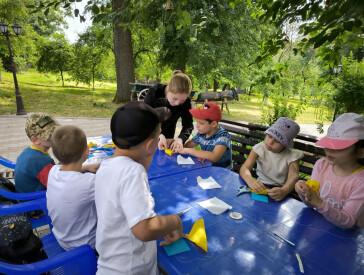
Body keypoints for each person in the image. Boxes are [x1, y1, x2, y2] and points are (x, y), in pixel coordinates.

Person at [95, 102, 184, 274]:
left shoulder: (106, 166)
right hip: (131, 269)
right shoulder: (132, 171)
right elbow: (145, 229)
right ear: (150, 145)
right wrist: (174, 221)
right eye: (159, 136)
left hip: (112, 262)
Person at [295, 113, 364, 228]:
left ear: (361, 152)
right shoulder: (321, 165)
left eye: (338, 147)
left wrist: (319, 203)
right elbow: (311, 204)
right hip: (319, 227)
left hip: (347, 238)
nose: (329, 150)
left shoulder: (360, 181)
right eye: (328, 144)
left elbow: (348, 221)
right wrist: (303, 193)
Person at [46, 125, 100, 251]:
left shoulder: (53, 171)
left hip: (61, 237)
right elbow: (115, 185)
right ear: (87, 151)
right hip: (85, 244)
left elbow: (69, 173)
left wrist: (86, 167)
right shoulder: (89, 183)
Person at [240, 117, 303, 201]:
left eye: (278, 141)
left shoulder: (291, 156)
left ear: (286, 144)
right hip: (260, 188)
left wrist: (284, 191)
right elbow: (244, 168)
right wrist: (250, 180)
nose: (270, 142)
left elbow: (293, 176)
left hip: (279, 191)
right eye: (269, 136)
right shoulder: (260, 148)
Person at [144, 70, 193, 152]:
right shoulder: (155, 92)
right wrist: (158, 135)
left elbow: (188, 125)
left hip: (168, 136)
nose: (177, 103)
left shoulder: (186, 101)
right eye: (175, 98)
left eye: (182, 101)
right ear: (168, 88)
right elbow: (144, 119)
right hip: (147, 134)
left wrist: (180, 139)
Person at [175, 101, 233, 169]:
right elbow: (187, 145)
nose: (197, 126)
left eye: (201, 123)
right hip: (207, 168)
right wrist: (176, 142)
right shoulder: (202, 133)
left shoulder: (223, 136)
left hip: (222, 173)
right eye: (197, 122)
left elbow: (214, 157)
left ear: (213, 124)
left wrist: (188, 150)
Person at [14, 113, 60, 193]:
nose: (56, 136)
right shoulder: (41, 161)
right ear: (35, 140)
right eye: (50, 135)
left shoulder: (30, 151)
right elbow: (58, 186)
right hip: (34, 200)